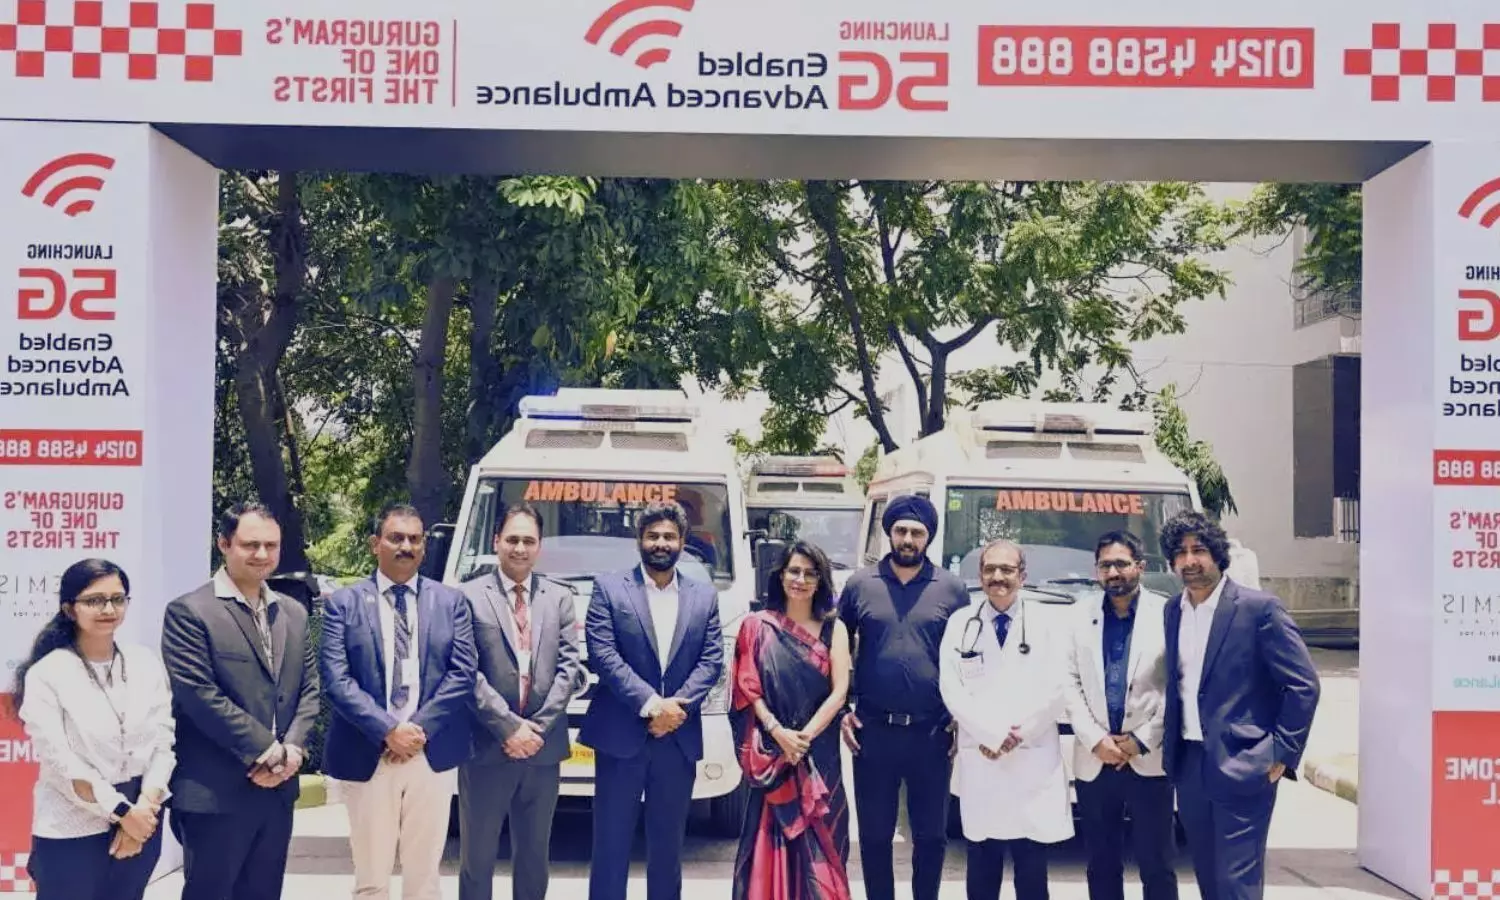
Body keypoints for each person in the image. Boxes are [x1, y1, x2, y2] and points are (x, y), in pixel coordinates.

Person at [160, 501, 322, 900]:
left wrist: (293, 752)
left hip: (277, 792)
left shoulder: (293, 613)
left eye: (271, 545)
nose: (262, 554)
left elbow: (309, 690)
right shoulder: (190, 612)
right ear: (224, 544)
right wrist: (268, 751)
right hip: (216, 792)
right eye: (250, 545)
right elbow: (199, 694)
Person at [319, 502, 478, 900]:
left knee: (424, 878)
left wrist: (416, 731)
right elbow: (337, 680)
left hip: (431, 752)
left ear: (424, 547)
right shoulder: (344, 603)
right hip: (369, 752)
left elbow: (462, 673)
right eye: (396, 538)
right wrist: (388, 730)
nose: (406, 546)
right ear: (375, 544)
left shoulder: (451, 602)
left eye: (414, 539)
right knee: (372, 877)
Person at [1160, 512, 1321, 900]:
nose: (1189, 560)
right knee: (1208, 877)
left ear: (1217, 554)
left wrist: (1282, 751)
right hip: (1190, 764)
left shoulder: (1258, 609)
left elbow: (1303, 685)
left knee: (1237, 883)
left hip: (1245, 762)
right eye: (1180, 552)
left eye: (1198, 550)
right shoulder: (1173, 610)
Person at [579, 500, 725, 900]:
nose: (661, 543)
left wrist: (675, 708)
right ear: (639, 540)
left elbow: (711, 660)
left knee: (668, 849)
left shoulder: (704, 596)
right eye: (653, 535)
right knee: (610, 847)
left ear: (683, 542)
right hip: (620, 736)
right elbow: (603, 654)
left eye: (669, 536)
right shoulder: (609, 589)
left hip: (676, 741)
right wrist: (650, 705)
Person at [12, 558, 175, 900]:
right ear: (69, 609)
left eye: (117, 599)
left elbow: (163, 743)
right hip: (73, 826)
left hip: (142, 820)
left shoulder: (145, 663)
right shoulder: (48, 674)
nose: (108, 609)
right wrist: (122, 813)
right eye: (94, 600)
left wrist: (145, 808)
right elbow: (63, 764)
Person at [838, 494, 970, 900]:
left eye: (916, 532)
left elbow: (967, 656)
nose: (908, 539)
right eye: (901, 531)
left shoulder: (951, 589)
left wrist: (961, 715)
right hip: (873, 730)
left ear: (928, 537)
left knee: (930, 836)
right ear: (889, 533)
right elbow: (836, 648)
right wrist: (842, 708)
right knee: (875, 836)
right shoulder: (861, 584)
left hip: (932, 732)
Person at [457, 503, 587, 900]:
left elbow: (569, 667)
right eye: (512, 539)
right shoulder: (468, 596)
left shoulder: (559, 597)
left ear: (539, 546)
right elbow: (465, 671)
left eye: (528, 541)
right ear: (496, 541)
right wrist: (509, 727)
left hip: (542, 750)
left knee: (534, 858)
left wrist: (536, 730)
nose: (520, 548)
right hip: (487, 746)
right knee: (477, 858)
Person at [938, 539, 1071, 900]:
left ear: (1022, 576)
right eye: (990, 569)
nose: (998, 576)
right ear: (980, 576)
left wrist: (1020, 733)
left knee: (1031, 867)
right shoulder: (961, 623)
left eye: (1007, 569)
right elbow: (951, 688)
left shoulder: (1048, 622)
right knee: (982, 862)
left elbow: (1060, 686)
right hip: (982, 756)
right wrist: (992, 734)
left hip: (1031, 754)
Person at [730, 540, 853, 900]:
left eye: (810, 573)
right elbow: (747, 689)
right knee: (770, 843)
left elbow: (839, 692)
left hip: (819, 755)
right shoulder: (756, 626)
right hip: (775, 753)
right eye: (794, 571)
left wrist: (803, 738)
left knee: (825, 847)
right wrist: (778, 732)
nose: (800, 580)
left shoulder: (834, 629)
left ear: (821, 580)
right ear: (781, 575)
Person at [1063, 532, 1177, 900]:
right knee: (1101, 863)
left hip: (1149, 757)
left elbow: (1178, 684)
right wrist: (1096, 739)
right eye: (1105, 565)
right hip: (1095, 757)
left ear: (1140, 567)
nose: (1113, 572)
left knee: (1157, 863)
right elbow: (1067, 681)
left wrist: (1141, 739)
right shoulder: (1078, 615)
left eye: (1121, 564)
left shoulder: (1167, 613)